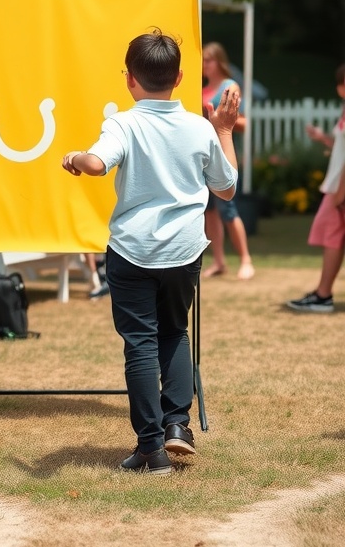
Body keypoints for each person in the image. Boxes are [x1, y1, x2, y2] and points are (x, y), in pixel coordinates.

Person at [62, 30, 239, 475]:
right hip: (184, 249)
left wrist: (75, 157)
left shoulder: (123, 122)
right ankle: (178, 425)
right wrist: (223, 130)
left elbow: (98, 163)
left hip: (132, 249)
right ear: (180, 77)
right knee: (174, 332)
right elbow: (227, 187)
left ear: (129, 79)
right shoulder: (200, 127)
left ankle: (150, 448)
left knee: (140, 344)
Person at [286, 64, 345, 314]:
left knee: (332, 237)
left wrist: (340, 193)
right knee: (332, 237)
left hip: (339, 188)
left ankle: (323, 296)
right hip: (336, 186)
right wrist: (323, 139)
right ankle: (323, 294)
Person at [201, 41, 255, 280]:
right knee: (209, 212)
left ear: (219, 61)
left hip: (223, 152)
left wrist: (219, 121)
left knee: (228, 209)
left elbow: (243, 122)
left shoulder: (229, 86)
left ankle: (245, 259)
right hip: (203, 154)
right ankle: (220, 261)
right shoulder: (201, 87)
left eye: (208, 60)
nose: (203, 65)